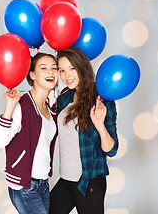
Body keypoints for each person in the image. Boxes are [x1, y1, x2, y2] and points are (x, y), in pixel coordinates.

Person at [49, 47, 119, 214]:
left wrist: (99, 124)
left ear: (82, 67)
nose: (67, 76)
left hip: (89, 181)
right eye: (62, 70)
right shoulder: (64, 96)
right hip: (66, 179)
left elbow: (112, 150)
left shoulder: (102, 99)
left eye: (72, 68)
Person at [0, 52, 59, 214]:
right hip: (24, 186)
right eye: (44, 68)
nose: (50, 72)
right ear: (33, 75)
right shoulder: (22, 104)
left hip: (43, 183)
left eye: (54, 68)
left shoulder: (52, 110)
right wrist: (10, 105)